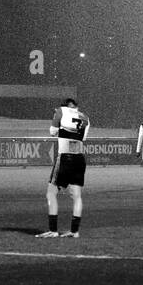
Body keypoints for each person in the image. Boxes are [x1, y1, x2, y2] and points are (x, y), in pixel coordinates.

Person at [36, 98, 89, 238]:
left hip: (65, 157)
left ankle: (53, 231)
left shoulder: (61, 111)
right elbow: (82, 139)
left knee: (51, 193)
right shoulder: (86, 118)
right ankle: (74, 231)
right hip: (80, 159)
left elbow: (52, 132)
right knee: (77, 196)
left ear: (65, 106)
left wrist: (57, 119)